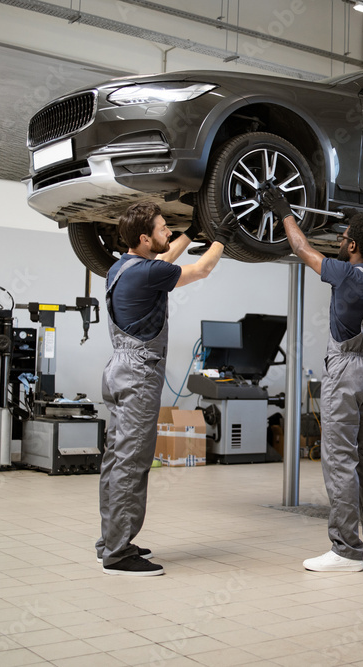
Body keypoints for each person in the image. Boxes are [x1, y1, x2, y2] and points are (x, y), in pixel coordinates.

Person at [96, 202, 236, 576]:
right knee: (133, 461)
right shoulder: (146, 272)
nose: (167, 234)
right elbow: (200, 269)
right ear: (145, 239)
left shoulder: (120, 267)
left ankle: (109, 539)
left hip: (118, 369)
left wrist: (192, 230)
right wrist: (223, 237)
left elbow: (167, 259)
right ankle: (118, 554)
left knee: (115, 457)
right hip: (140, 374)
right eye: (162, 229)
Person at [263, 187, 363, 572]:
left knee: (340, 460)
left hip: (345, 373)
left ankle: (346, 551)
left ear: (352, 246)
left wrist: (284, 211)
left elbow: (303, 249)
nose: (338, 242)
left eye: (343, 238)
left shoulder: (347, 274)